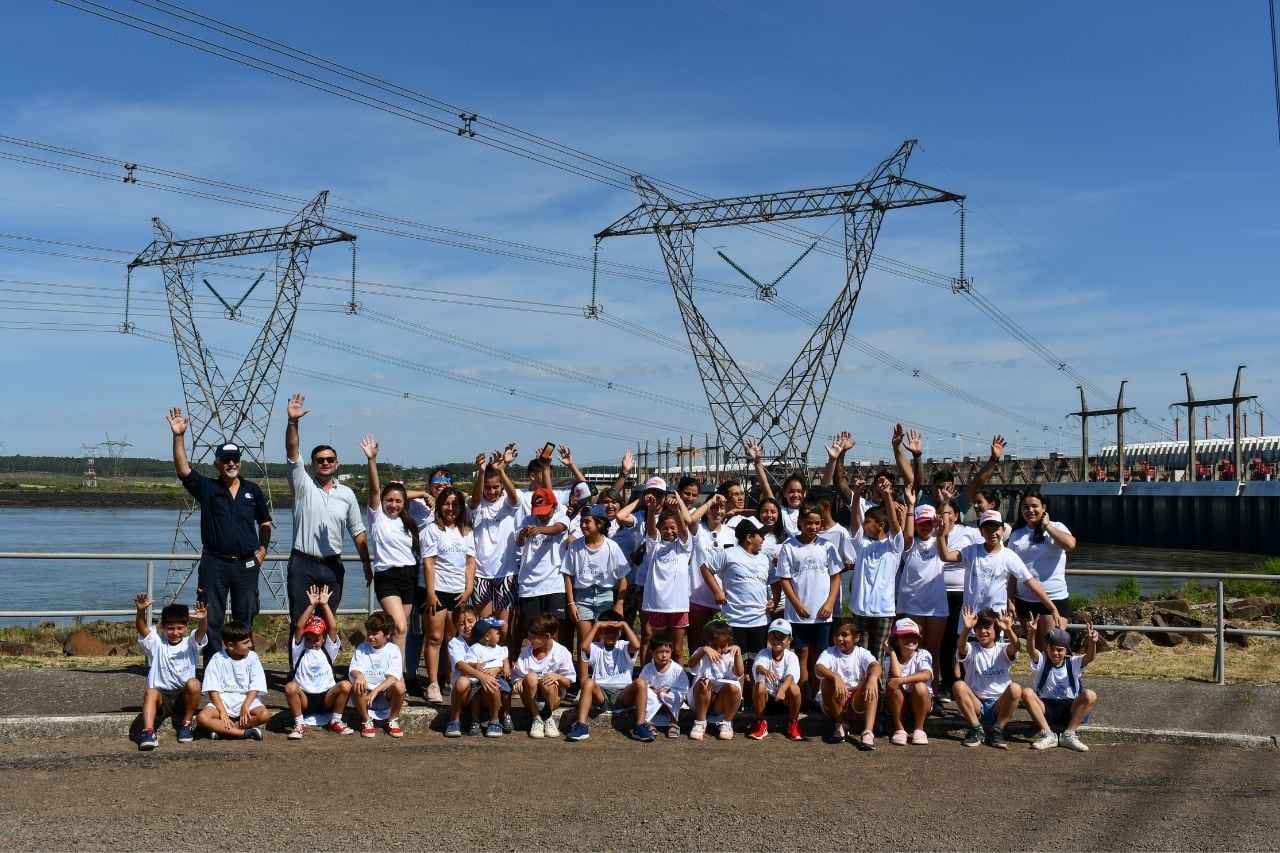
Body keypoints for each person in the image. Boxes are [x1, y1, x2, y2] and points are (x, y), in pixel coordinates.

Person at [167, 407, 272, 661]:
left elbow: (266, 523)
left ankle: (245, 667)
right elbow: (184, 471)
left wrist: (262, 551)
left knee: (244, 618)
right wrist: (178, 436)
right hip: (214, 563)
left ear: (240, 461)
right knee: (211, 618)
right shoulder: (207, 488)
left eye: (235, 459)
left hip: (247, 564)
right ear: (217, 464)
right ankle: (214, 669)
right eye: (226, 460)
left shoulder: (252, 490)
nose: (231, 463)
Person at [283, 393, 372, 626]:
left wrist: (366, 564)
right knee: (300, 623)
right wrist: (293, 422)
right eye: (320, 459)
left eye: (330, 459)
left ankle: (324, 664)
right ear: (312, 464)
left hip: (333, 565)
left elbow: (357, 531)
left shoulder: (347, 494)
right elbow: (292, 451)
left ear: (337, 463)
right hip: (303, 564)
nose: (325, 462)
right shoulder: (301, 484)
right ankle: (299, 664)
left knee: (327, 623)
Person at [938, 510, 1059, 635]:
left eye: (996, 529)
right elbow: (945, 557)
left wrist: (1052, 607)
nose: (992, 534)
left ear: (1003, 530)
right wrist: (941, 536)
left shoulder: (1009, 556)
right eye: (987, 530)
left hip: (996, 621)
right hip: (970, 621)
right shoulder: (971, 551)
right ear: (981, 532)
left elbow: (1030, 581)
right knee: (966, 653)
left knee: (994, 653)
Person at [359, 435, 422, 667]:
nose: (393, 505)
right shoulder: (378, 518)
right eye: (389, 500)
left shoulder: (407, 522)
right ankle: (397, 676)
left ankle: (392, 673)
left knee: (399, 631)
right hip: (388, 577)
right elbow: (375, 490)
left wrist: (424, 494)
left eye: (398, 501)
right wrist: (372, 460)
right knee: (401, 626)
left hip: (409, 576)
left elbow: (404, 496)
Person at [776, 505, 842, 703]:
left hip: (822, 612)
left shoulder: (827, 547)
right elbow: (784, 580)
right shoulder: (789, 546)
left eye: (817, 523)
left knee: (819, 655)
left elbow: (835, 577)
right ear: (800, 523)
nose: (813, 527)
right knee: (801, 653)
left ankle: (817, 695)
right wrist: (796, 604)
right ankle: (804, 696)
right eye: (808, 523)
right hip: (798, 613)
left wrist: (830, 603)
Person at [562, 503, 629, 688]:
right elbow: (568, 575)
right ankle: (583, 684)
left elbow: (623, 579)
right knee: (586, 641)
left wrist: (619, 604)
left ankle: (600, 681)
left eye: (587, 522)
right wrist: (571, 603)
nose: (583, 526)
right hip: (582, 596)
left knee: (602, 639)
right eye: (582, 522)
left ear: (599, 524)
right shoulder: (575, 547)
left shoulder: (611, 546)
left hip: (605, 594)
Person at [421, 485, 476, 705]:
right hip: (438, 591)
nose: (450, 508)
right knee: (434, 637)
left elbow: (470, 561)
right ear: (439, 505)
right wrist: (431, 592)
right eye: (446, 503)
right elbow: (429, 562)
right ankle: (433, 683)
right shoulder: (433, 529)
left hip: (459, 592)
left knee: (453, 639)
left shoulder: (467, 531)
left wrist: (468, 588)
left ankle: (451, 680)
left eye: (455, 504)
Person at [133, 594, 207, 750]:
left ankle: (186, 724)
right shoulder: (157, 643)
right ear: (163, 627)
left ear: (187, 627)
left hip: (183, 696)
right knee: (151, 692)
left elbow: (201, 631)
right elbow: (142, 629)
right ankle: (149, 732)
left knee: (194, 683)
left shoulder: (191, 643)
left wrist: (202, 619)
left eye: (180, 628)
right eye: (170, 628)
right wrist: (140, 611)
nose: (175, 632)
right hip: (162, 696)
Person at [630, 488, 693, 663]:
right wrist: (650, 509)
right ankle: (655, 682)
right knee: (659, 649)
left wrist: (676, 512)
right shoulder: (654, 548)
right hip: (657, 605)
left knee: (678, 650)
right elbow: (651, 530)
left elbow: (683, 531)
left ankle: (678, 687)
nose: (669, 531)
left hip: (678, 606)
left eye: (672, 527)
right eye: (665, 528)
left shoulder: (683, 547)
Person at [1009, 492, 1077, 652]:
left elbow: (1070, 545)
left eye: (1034, 506)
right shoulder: (1017, 534)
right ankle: (1039, 678)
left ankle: (1059, 678)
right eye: (1025, 507)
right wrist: (1010, 600)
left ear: (1044, 508)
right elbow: (1011, 571)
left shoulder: (1057, 527)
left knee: (1054, 646)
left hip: (1053, 597)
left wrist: (1047, 526)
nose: (1030, 510)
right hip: (1024, 599)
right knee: (1036, 649)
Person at [284, 584, 354, 739]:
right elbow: (299, 628)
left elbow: (333, 628)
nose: (312, 642)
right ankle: (299, 724)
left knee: (346, 685)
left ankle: (335, 721)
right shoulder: (300, 651)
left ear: (324, 639)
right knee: (290, 687)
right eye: (309, 639)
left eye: (316, 639)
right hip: (305, 699)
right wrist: (311, 605)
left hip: (326, 698)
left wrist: (324, 604)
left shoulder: (328, 650)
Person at [897, 488, 948, 693]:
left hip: (937, 605)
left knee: (932, 651)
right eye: (921, 523)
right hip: (913, 603)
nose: (925, 527)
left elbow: (944, 530)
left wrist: (944, 505)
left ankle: (932, 692)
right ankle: (912, 690)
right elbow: (908, 534)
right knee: (914, 650)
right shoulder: (909, 545)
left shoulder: (939, 542)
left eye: (929, 523)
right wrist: (910, 505)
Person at [1021, 618, 1099, 752]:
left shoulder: (1073, 662)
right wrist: (1031, 633)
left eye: (1060, 650)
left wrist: (1092, 642)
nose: (1055, 653)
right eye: (1051, 649)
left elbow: (1089, 657)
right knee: (1027, 692)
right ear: (1046, 648)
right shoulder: (1042, 661)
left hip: (1068, 707)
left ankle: (1068, 735)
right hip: (1046, 707)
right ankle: (1048, 734)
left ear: (1066, 651)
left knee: (1090, 695)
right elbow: (1030, 650)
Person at [468, 448, 521, 642]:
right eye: (487, 488)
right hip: (481, 573)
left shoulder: (508, 504)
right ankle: (486, 668)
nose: (492, 491)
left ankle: (503, 666)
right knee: (485, 628)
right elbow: (473, 503)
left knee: (503, 630)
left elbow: (514, 497)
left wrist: (501, 471)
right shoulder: (476, 504)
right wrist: (481, 472)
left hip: (505, 573)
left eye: (496, 487)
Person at [847, 480, 904, 657]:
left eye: (869, 522)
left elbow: (894, 523)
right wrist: (856, 494)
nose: (864, 525)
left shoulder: (894, 546)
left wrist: (887, 495)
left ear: (881, 525)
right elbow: (855, 520)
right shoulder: (861, 544)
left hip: (884, 611)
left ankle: (880, 685)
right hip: (859, 609)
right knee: (860, 656)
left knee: (880, 655)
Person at [700, 517, 772, 655]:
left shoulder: (765, 558)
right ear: (749, 537)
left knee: (757, 662)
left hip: (760, 620)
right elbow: (705, 568)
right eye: (760, 535)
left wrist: (774, 599)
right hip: (734, 619)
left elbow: (774, 580)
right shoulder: (728, 553)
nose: (763, 539)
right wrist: (717, 591)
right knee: (734, 662)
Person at [953, 607, 1022, 749]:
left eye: (987, 628)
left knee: (1015, 688)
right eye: (978, 628)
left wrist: (1009, 630)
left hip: (999, 704)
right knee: (958, 686)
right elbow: (961, 647)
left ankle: (997, 730)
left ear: (996, 630)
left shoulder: (1002, 649)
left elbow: (1015, 646)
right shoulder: (972, 648)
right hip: (976, 703)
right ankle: (977, 730)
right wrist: (966, 629)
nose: (982, 631)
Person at [567, 610, 640, 742]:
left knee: (641, 682)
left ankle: (640, 725)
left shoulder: (624, 646)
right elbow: (583, 646)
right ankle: (582, 725)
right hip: (601, 695)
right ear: (600, 632)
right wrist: (597, 625)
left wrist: (623, 624)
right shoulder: (596, 647)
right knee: (588, 682)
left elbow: (637, 645)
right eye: (606, 631)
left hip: (623, 695)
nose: (610, 634)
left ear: (620, 632)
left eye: (614, 631)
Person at [513, 487, 571, 655]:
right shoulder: (527, 520)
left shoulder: (561, 517)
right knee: (532, 630)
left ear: (554, 506)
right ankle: (532, 662)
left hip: (554, 583)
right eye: (539, 512)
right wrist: (523, 534)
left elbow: (558, 528)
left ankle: (553, 664)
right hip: (530, 585)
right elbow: (519, 542)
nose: (542, 515)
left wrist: (540, 530)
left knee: (553, 630)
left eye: (546, 511)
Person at [195, 620, 270, 740]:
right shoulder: (217, 659)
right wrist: (222, 711)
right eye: (246, 642)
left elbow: (256, 685)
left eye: (249, 641)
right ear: (230, 645)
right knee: (202, 718)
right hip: (223, 701)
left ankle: (223, 730)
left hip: (246, 700)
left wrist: (246, 705)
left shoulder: (252, 657)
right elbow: (212, 689)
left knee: (264, 715)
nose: (250, 645)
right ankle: (243, 733)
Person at [815, 617, 880, 749]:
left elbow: (875, 666)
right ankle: (840, 723)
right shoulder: (829, 652)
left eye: (844, 635)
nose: (839, 639)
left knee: (871, 679)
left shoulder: (861, 653)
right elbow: (819, 668)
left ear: (856, 638)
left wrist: (873, 678)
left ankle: (868, 731)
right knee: (827, 681)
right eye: (836, 635)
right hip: (836, 704)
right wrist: (836, 677)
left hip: (858, 703)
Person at [511, 612, 576, 739]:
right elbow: (517, 675)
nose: (528, 639)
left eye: (532, 636)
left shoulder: (562, 652)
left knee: (548, 680)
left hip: (552, 696)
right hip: (530, 698)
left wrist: (557, 676)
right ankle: (537, 719)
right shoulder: (527, 653)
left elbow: (569, 682)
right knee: (531, 677)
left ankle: (548, 717)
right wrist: (518, 680)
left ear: (546, 636)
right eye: (528, 635)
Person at [448, 615, 512, 738]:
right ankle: (473, 722)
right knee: (475, 697)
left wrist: (503, 668)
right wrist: (477, 668)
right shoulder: (474, 648)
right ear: (487, 637)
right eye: (497, 632)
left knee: (504, 691)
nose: (500, 634)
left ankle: (500, 718)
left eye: (470, 621)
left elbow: (505, 658)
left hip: (495, 678)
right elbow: (464, 664)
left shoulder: (499, 648)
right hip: (476, 682)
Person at [349, 610, 406, 738]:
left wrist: (376, 691)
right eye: (369, 633)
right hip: (366, 696)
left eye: (375, 634)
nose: (370, 637)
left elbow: (394, 676)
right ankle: (366, 720)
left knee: (400, 686)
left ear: (387, 634)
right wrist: (359, 676)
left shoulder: (393, 650)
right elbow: (353, 668)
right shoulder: (362, 648)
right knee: (356, 685)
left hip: (385, 695)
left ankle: (392, 720)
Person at [686, 622, 745, 741]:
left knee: (733, 687)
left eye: (722, 646)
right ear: (707, 641)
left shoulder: (731, 655)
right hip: (701, 701)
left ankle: (727, 723)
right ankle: (700, 722)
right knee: (704, 682)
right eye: (714, 645)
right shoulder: (702, 651)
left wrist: (738, 654)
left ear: (729, 642)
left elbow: (739, 673)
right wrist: (704, 650)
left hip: (722, 704)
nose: (718, 649)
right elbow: (691, 665)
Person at [748, 619, 804, 741]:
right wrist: (766, 672)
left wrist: (783, 689)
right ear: (768, 637)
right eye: (774, 636)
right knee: (759, 686)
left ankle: (793, 722)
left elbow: (791, 675)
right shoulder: (763, 652)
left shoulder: (791, 657)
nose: (777, 640)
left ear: (790, 640)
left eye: (782, 637)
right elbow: (758, 666)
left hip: (785, 700)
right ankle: (761, 722)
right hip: (767, 700)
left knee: (795, 688)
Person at [882, 617, 933, 746]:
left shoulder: (923, 653)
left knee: (920, 687)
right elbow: (895, 676)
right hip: (898, 702)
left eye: (914, 636)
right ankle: (899, 729)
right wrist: (892, 652)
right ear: (896, 641)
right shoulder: (889, 659)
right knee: (893, 687)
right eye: (905, 636)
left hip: (921, 701)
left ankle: (919, 728)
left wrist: (901, 680)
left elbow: (926, 674)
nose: (911, 639)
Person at [632, 631, 688, 741]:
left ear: (671, 651)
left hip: (669, 702)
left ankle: (673, 722)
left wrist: (670, 690)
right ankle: (648, 721)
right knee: (646, 694)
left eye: (667, 651)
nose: (664, 655)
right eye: (660, 652)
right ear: (652, 653)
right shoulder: (648, 668)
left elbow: (684, 689)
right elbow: (643, 686)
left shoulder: (677, 669)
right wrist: (654, 690)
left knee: (676, 695)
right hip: (655, 699)